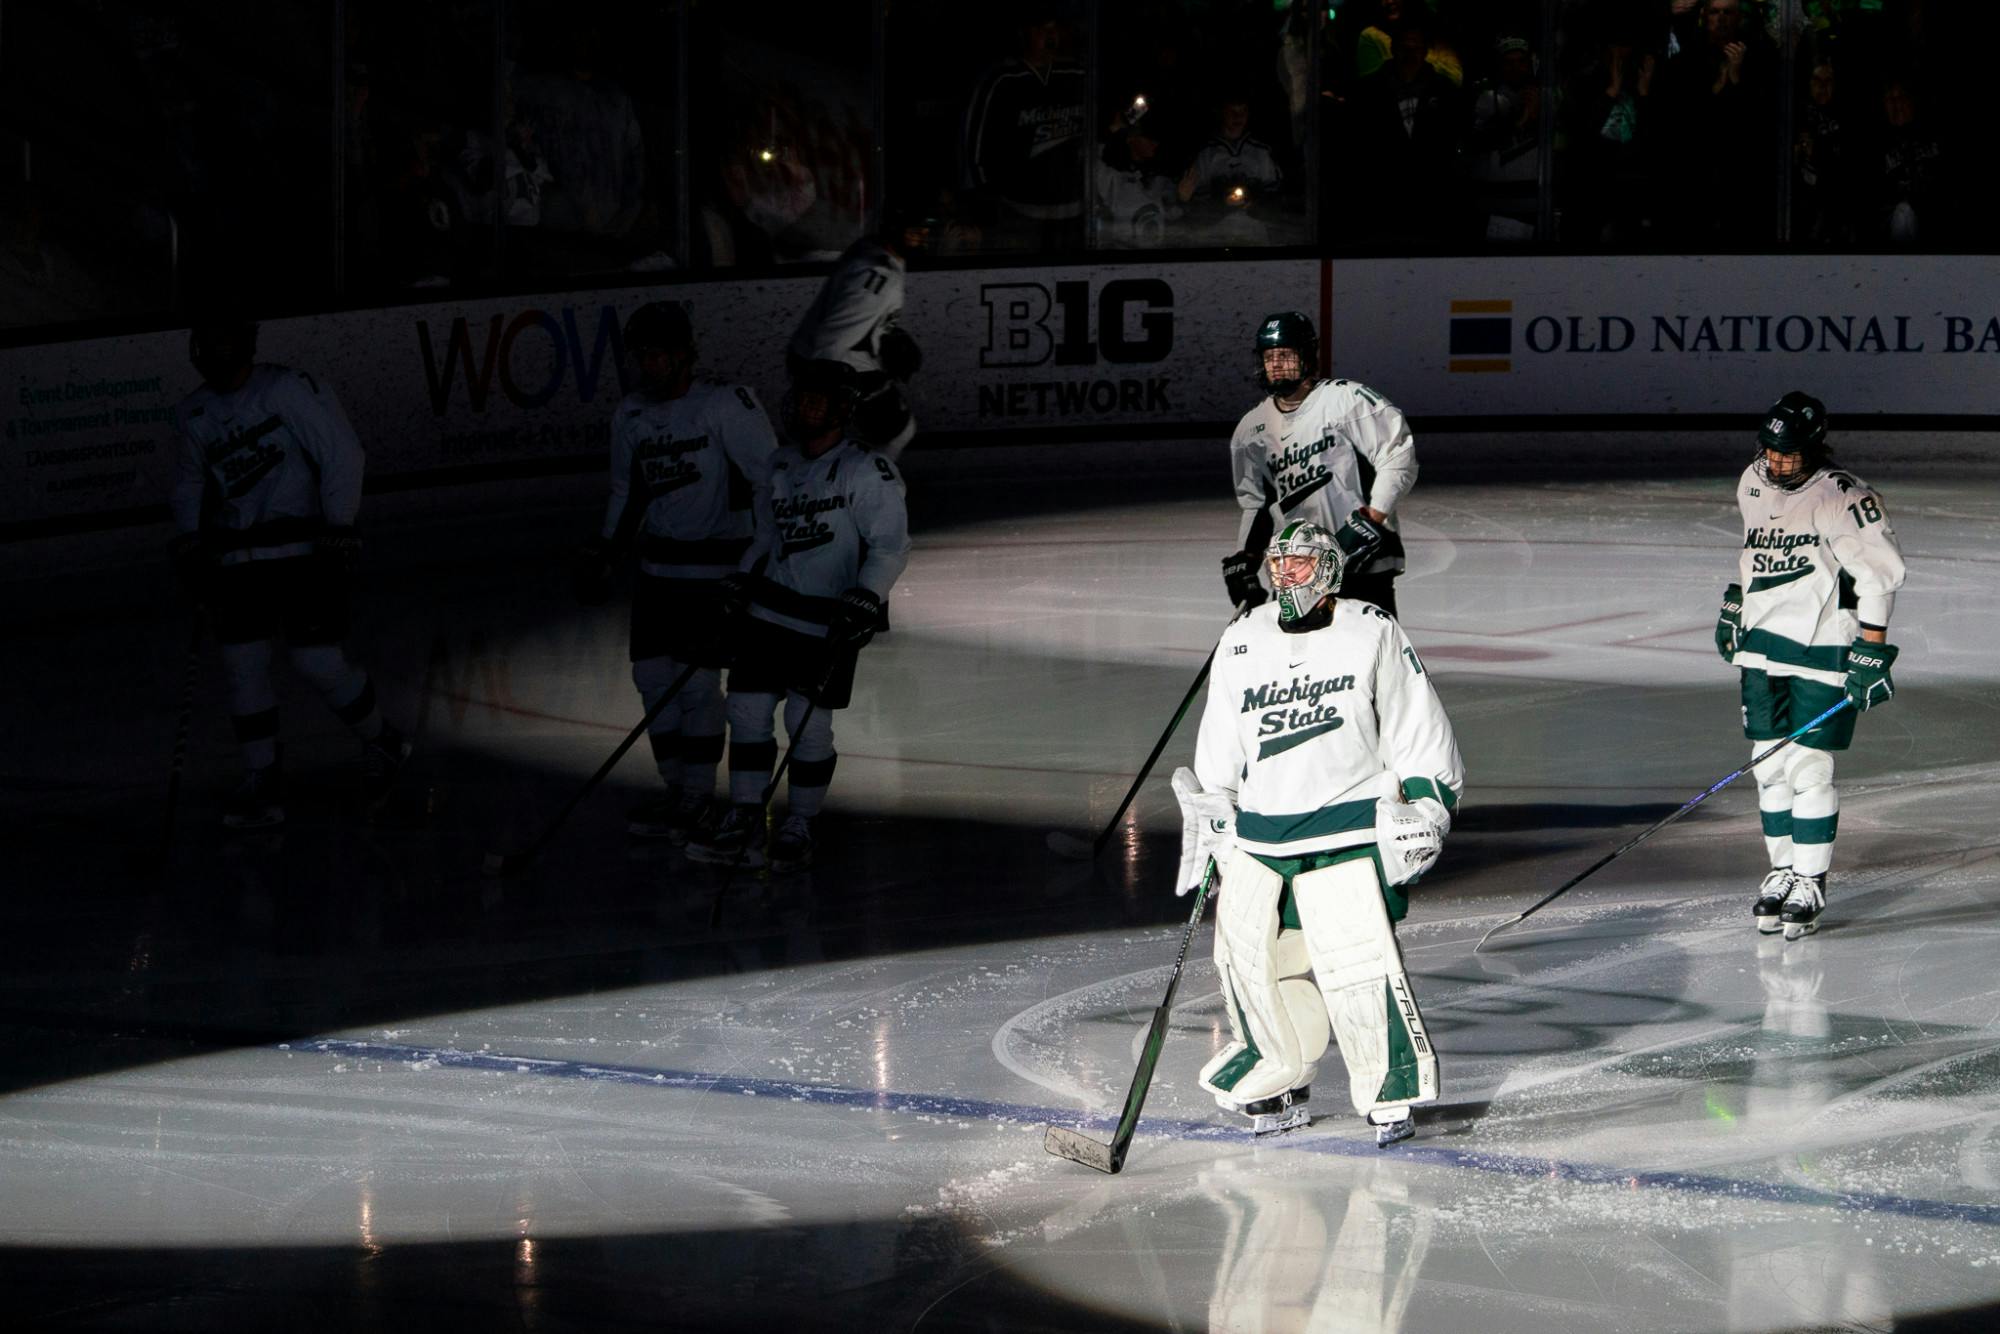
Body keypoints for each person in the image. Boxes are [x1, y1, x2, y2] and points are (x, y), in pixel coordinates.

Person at [1176, 519, 1463, 1146]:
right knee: (1254, 966)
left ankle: (1390, 1090)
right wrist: (1214, 806)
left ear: (1329, 571)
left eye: (1300, 565)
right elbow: (1221, 734)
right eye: (1278, 564)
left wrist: (1429, 805)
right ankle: (1282, 1074)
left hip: (1347, 826)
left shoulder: (1371, 629)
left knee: (1358, 967)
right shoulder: (1242, 637)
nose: (1284, 576)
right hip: (1261, 836)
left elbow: (1419, 725)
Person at [168, 313, 410, 829]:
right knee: (243, 666)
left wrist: (340, 525)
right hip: (238, 558)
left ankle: (382, 741)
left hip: (301, 551)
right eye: (206, 341)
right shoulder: (195, 413)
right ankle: (262, 774)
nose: (213, 351)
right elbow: (190, 480)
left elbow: (342, 451)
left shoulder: (287, 389)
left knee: (318, 662)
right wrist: (189, 539)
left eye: (222, 339)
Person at [687, 360, 911, 873]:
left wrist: (867, 598)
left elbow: (890, 546)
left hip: (826, 621)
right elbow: (767, 536)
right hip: (769, 610)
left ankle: (800, 823)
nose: (806, 407)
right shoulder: (779, 464)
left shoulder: (864, 470)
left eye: (819, 401)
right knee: (744, 710)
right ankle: (744, 813)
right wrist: (743, 576)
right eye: (803, 398)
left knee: (804, 723)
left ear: (842, 410)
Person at [573, 301, 777, 844]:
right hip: (658, 570)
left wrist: (761, 558)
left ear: (685, 354)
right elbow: (627, 489)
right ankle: (676, 788)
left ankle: (698, 795)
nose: (650, 366)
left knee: (699, 685)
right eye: (642, 355)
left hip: (714, 570)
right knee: (651, 678)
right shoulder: (632, 415)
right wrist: (606, 550)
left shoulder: (724, 405)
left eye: (658, 354)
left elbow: (770, 477)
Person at [1715, 391, 1905, 940]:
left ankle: (1811, 878)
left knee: (1809, 767)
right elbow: (1757, 549)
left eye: (1789, 453)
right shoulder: (1752, 480)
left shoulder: (1845, 496)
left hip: (1823, 647)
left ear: (1815, 447)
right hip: (1762, 644)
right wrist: (1736, 603)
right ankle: (1780, 871)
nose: (1776, 462)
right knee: (1768, 765)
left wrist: (1871, 647)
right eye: (1771, 450)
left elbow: (1879, 574)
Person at [1222, 312, 1418, 617]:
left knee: (1370, 654)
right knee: (1297, 660)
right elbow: (1256, 504)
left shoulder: (1346, 400)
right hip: (1299, 569)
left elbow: (1397, 455)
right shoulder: (1251, 430)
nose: (1275, 364)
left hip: (1362, 563)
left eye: (1285, 355)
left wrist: (1371, 519)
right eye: (1269, 356)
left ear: (1306, 356)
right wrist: (1244, 559)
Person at [786, 206, 929, 462]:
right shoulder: (876, 275)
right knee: (895, 433)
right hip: (833, 364)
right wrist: (823, 392)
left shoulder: (874, 252)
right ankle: (870, 492)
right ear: (896, 231)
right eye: (914, 232)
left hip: (830, 358)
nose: (921, 238)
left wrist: (881, 334)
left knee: (883, 434)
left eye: (924, 231)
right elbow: (833, 339)